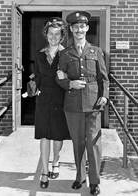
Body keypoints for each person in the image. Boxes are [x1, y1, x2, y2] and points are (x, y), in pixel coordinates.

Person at [56, 11, 109, 195]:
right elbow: (59, 77)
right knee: (78, 142)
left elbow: (104, 78)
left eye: (82, 26)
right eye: (75, 27)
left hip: (94, 104)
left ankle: (94, 182)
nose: (79, 29)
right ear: (71, 29)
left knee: (93, 143)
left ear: (87, 28)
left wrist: (105, 96)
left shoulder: (96, 51)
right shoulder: (65, 54)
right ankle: (80, 177)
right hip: (72, 106)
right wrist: (69, 83)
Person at [34, 17, 70, 189]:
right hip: (43, 100)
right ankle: (44, 171)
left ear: (62, 36)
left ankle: (56, 160)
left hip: (60, 99)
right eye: (51, 34)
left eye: (57, 34)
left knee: (57, 135)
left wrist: (67, 78)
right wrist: (34, 87)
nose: (53, 37)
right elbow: (37, 76)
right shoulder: (39, 54)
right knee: (44, 135)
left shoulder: (67, 54)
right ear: (46, 34)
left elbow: (73, 76)